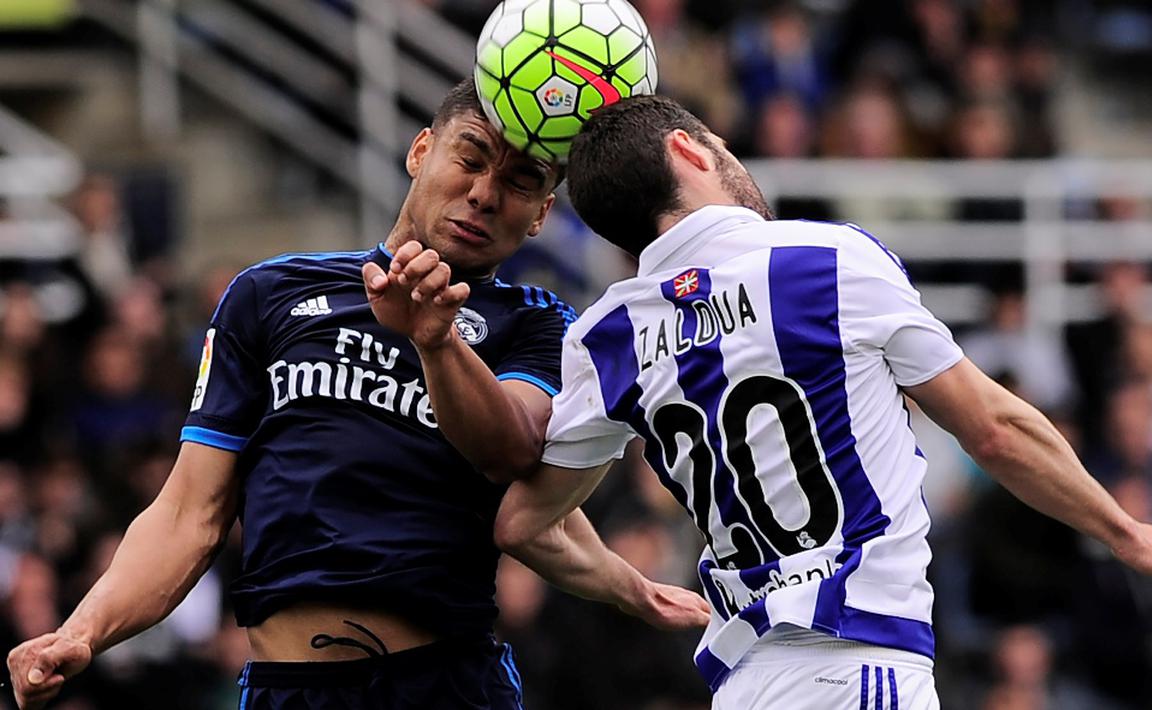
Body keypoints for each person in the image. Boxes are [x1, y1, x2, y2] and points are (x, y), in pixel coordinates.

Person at [493, 95, 1152, 709]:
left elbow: (524, 524)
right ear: (689, 150)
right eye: (722, 144)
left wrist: (633, 591)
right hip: (860, 664)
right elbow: (995, 429)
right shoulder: (825, 260)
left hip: (743, 685)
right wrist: (1123, 530)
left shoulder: (605, 337)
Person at [6, 80, 707, 710]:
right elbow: (189, 512)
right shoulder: (269, 294)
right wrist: (82, 631)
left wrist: (436, 342)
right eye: (469, 158)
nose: (484, 193)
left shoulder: (537, 324)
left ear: (540, 214)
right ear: (420, 151)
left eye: (520, 182)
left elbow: (513, 451)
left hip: (444, 685)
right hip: (285, 690)